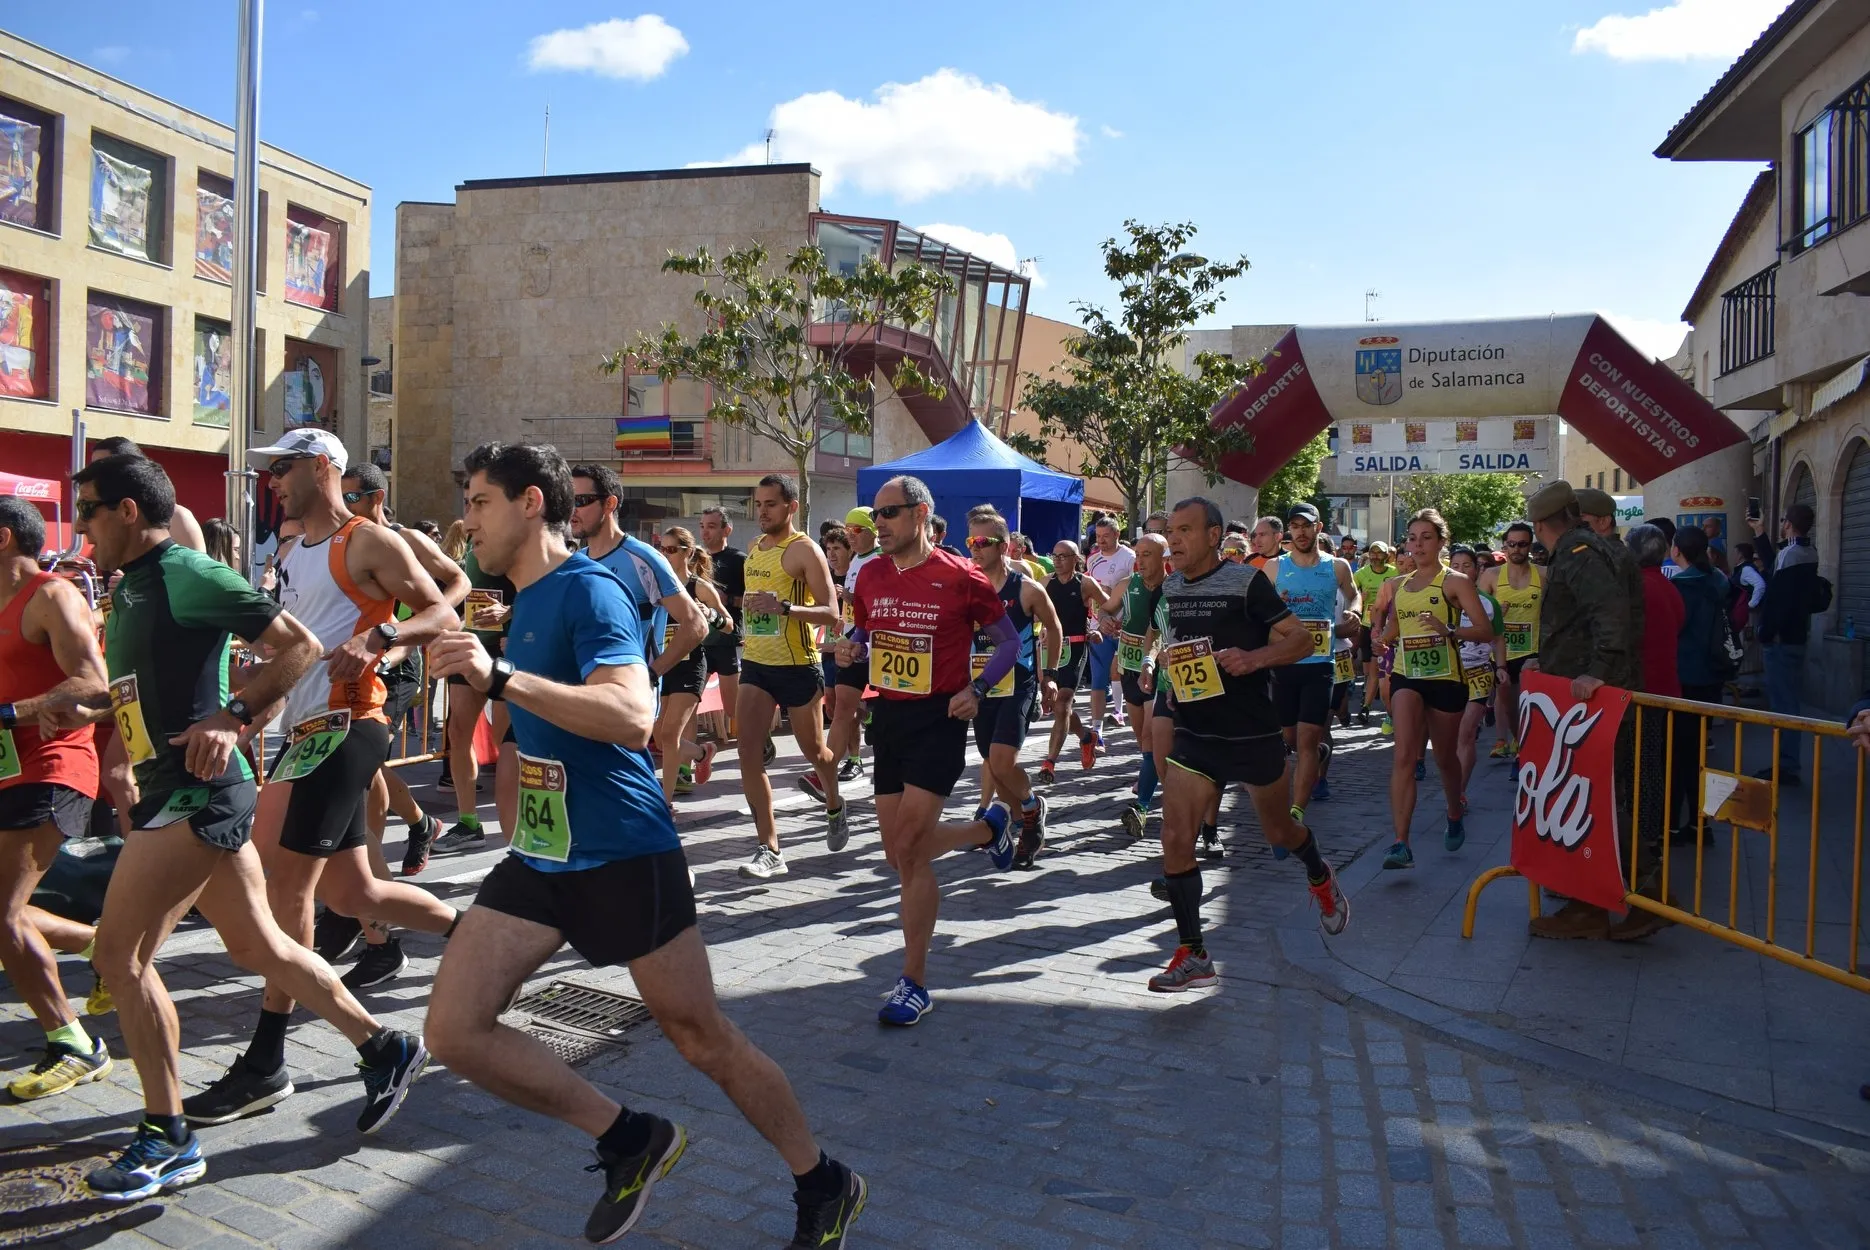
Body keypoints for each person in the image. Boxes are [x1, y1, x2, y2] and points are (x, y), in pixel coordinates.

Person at [422, 442, 866, 1246]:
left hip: (625, 849)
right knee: (453, 1031)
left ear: (530, 503)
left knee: (700, 1037)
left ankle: (823, 1180)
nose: (468, 518)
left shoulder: (589, 590)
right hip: (547, 852)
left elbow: (629, 716)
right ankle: (630, 1137)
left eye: (481, 501)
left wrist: (498, 680)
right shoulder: (515, 596)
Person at [60, 454, 426, 1198]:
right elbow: (144, 688)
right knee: (258, 945)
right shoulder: (131, 588)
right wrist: (90, 711)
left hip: (199, 796)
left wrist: (233, 717)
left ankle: (167, 1138)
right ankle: (384, 1044)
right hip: (179, 789)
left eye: (91, 509)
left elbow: (299, 643)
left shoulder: (186, 572)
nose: (82, 526)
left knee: (120, 957)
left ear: (130, 511)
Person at [181, 428, 460, 1123]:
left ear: (318, 467)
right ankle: (476, 934)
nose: (272, 482)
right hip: (301, 734)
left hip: (348, 726)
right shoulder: (285, 552)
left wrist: (380, 637)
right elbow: (295, 657)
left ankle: (268, 1061)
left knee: (284, 882)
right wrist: (243, 707)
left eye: (280, 469)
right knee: (353, 887)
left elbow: (441, 606)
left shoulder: (366, 541)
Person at [834, 475, 1021, 1025]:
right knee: (898, 854)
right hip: (888, 716)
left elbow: (1009, 642)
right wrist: (853, 647)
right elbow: (865, 633)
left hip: (940, 718)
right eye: (876, 513)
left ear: (921, 515)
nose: (879, 523)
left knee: (911, 849)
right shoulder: (868, 574)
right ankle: (989, 830)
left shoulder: (963, 576)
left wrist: (978, 689)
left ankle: (913, 981)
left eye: (889, 513)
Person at [1147, 497, 1349, 992]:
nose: (1173, 540)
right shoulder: (1171, 586)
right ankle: (1193, 953)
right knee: (1174, 837)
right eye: (1170, 531)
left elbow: (1299, 640)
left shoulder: (1246, 581)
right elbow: (1169, 641)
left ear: (1214, 536)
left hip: (1250, 731)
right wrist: (1163, 663)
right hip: (1195, 729)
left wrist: (1255, 659)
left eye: (1184, 531)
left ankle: (1319, 873)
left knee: (1280, 833)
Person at [0, 498, 112, 1102]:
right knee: (4, 909)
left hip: (52, 767)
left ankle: (73, 1043)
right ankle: (94, 943)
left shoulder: (52, 595)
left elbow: (95, 682)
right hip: (7, 771)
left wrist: (15, 711)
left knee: (2, 915)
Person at [1523, 481, 1643, 941]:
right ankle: (1592, 901)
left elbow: (1608, 613)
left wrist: (1599, 670)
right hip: (1584, 696)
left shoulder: (1578, 552)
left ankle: (1636, 899)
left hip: (1592, 702)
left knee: (1598, 801)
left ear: (1540, 526)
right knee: (1596, 800)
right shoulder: (1592, 545)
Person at [341, 462, 470, 884]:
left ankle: (369, 876)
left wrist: (416, 627)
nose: (344, 505)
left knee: (366, 764)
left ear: (377, 498)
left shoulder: (405, 539)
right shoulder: (346, 541)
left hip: (397, 666)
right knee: (368, 764)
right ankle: (419, 824)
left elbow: (459, 581)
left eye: (352, 497)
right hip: (354, 667)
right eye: (340, 497)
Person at [734, 474, 847, 877]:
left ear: (791, 507)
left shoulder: (805, 551)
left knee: (815, 752)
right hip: (757, 665)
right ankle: (769, 848)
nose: (762, 512)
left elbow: (832, 613)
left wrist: (784, 608)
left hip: (798, 665)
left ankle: (833, 800)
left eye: (771, 504)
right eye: (758, 504)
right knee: (747, 751)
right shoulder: (754, 548)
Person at [1375, 510, 1494, 870]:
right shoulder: (1398, 585)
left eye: (1427, 537)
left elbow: (1486, 630)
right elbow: (1396, 626)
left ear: (1441, 542)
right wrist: (1382, 641)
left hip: (1445, 678)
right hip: (1406, 675)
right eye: (1412, 537)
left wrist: (1450, 631)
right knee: (1404, 756)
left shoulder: (1455, 582)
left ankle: (1454, 810)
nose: (1418, 544)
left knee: (1444, 758)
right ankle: (1400, 843)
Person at [965, 506, 1063, 867]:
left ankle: (1032, 809)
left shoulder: (1027, 589)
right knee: (994, 763)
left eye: (983, 541)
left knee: (1004, 761)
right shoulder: (967, 586)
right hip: (980, 684)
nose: (975, 548)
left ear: (1004, 546)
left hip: (1018, 683)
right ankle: (1025, 825)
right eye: (970, 541)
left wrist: (1049, 674)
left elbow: (1053, 627)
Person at [1268, 503, 1361, 830]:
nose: (1301, 532)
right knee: (1289, 740)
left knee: (1306, 741)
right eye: (1295, 526)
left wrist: (1356, 612)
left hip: (1321, 663)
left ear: (1319, 527)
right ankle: (1319, 752)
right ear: (1288, 531)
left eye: (1306, 526)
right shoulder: (1273, 568)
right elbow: (1257, 609)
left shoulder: (1337, 566)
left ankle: (1296, 811)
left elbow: (1354, 594)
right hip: (1283, 662)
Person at [1099, 533, 1169, 838]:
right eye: (1137, 555)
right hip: (1129, 666)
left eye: (1147, 555)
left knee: (1151, 736)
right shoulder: (1128, 585)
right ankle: (1152, 776)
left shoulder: (1175, 587)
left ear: (1164, 559)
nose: (1139, 561)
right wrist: (1105, 621)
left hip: (1157, 671)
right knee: (1142, 737)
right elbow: (1106, 609)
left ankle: (1143, 803)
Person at [811, 508, 883, 799]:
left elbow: (877, 603)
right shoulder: (856, 561)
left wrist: (853, 602)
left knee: (887, 716)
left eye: (857, 530)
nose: (851, 535)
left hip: (882, 646)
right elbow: (856, 609)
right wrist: (846, 625)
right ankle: (824, 774)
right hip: (854, 642)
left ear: (872, 531)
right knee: (840, 708)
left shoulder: (882, 560)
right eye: (848, 529)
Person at [653, 527, 729, 802]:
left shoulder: (698, 586)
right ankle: (701, 753)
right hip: (664, 664)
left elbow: (729, 624)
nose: (665, 554)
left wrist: (710, 614)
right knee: (660, 738)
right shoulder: (658, 585)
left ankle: (666, 800)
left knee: (671, 734)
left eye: (671, 549)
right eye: (662, 548)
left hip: (691, 664)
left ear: (687, 553)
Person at [1665, 525, 1730, 843]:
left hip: (1685, 679)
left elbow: (1673, 629)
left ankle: (1675, 825)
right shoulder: (1719, 581)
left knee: (1679, 756)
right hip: (1713, 677)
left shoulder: (1679, 587)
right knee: (1699, 756)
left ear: (1676, 550)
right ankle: (1701, 824)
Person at [1756, 502, 1823, 785]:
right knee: (1789, 701)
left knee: (1783, 705)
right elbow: (1777, 567)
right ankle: (1787, 762)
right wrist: (1760, 533)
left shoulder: (1791, 555)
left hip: (1781, 641)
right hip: (1797, 637)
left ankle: (1786, 764)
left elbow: (1777, 594)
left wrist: (1765, 632)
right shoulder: (1809, 552)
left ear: (1788, 524)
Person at [1038, 540, 1107, 784]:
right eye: (1054, 555)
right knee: (1060, 707)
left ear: (1075, 558)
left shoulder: (1085, 583)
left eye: (1063, 556)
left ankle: (1050, 762)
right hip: (1051, 649)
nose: (1057, 560)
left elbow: (1107, 605)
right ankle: (1086, 736)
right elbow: (1031, 611)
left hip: (1076, 648)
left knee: (1063, 703)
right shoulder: (1046, 583)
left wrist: (1098, 628)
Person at [1477, 521, 1543, 760]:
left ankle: (1522, 749)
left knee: (1528, 705)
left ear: (1530, 546)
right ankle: (1508, 741)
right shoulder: (1492, 576)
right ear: (1504, 546)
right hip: (1501, 651)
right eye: (1511, 544)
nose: (1516, 549)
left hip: (1532, 652)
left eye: (1522, 544)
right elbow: (1476, 615)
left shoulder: (1543, 575)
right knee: (1506, 702)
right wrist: (1495, 615)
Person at [1447, 545, 1504, 806]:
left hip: (1479, 672)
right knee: (1447, 738)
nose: (1459, 571)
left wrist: (1501, 667)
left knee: (1466, 733)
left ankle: (1458, 794)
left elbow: (1498, 638)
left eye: (1466, 566)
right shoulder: (1438, 599)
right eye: (1454, 566)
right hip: (1447, 675)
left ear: (1477, 569)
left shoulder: (1488, 603)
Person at [88, 438, 205, 552]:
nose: (95, 475)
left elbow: (198, 570)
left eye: (102, 467)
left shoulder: (177, 517)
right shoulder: (107, 517)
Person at [1083, 518, 1136, 748]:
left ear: (1116, 534)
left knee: (1122, 674)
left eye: (1105, 536)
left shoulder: (1130, 558)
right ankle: (1097, 729)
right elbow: (1089, 593)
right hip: (1100, 627)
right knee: (1098, 678)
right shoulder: (1093, 560)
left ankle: (1123, 714)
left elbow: (1134, 591)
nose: (1101, 541)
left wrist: (1120, 619)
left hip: (1125, 627)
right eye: (1098, 536)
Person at [697, 506, 745, 742]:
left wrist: (729, 599)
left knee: (732, 708)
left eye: (712, 527)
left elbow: (757, 599)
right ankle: (685, 763)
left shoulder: (738, 560)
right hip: (700, 640)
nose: (705, 533)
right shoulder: (696, 560)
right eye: (702, 526)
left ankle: (758, 740)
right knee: (689, 700)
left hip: (728, 639)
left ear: (727, 530)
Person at [1352, 540, 1394, 724]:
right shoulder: (1361, 574)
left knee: (1378, 668)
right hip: (1367, 624)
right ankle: (1367, 701)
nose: (1376, 556)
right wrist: (1360, 598)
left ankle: (1374, 705)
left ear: (1387, 555)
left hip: (1389, 627)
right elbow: (1350, 595)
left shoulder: (1394, 573)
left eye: (1380, 553)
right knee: (1369, 664)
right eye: (1373, 553)